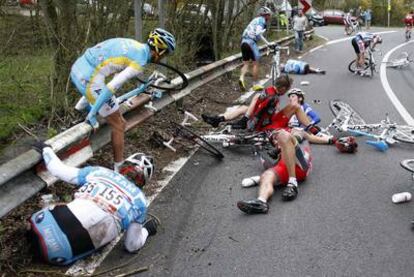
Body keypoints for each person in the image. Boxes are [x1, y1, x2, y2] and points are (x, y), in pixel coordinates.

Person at [27, 142, 158, 265]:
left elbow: (58, 170)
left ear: (124, 166)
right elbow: (131, 246)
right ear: (142, 182)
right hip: (60, 253)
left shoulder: (100, 171)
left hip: (40, 225)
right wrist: (146, 230)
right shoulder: (140, 201)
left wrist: (46, 149)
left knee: (66, 203)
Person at [70, 28, 176, 171]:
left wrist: (140, 89)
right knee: (120, 124)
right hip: (89, 78)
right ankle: (118, 170)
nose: (163, 58)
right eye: (165, 53)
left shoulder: (134, 45)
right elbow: (111, 87)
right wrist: (92, 114)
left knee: (105, 98)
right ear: (159, 50)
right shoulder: (140, 62)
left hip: (78, 67)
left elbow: (112, 74)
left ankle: (79, 109)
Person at [237, 131, 313, 214]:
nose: (276, 139)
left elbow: (301, 135)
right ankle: (261, 202)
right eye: (274, 139)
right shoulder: (276, 154)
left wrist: (329, 140)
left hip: (300, 164)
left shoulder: (291, 133)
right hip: (284, 169)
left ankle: (293, 184)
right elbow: (269, 166)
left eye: (276, 137)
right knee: (267, 175)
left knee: (284, 136)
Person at [239, 6, 274, 91]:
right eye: (269, 15)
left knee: (246, 63)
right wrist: (268, 44)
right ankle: (255, 84)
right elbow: (258, 33)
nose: (269, 17)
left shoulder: (255, 20)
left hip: (243, 42)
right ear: (265, 15)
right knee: (255, 63)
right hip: (251, 42)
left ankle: (241, 78)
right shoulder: (262, 20)